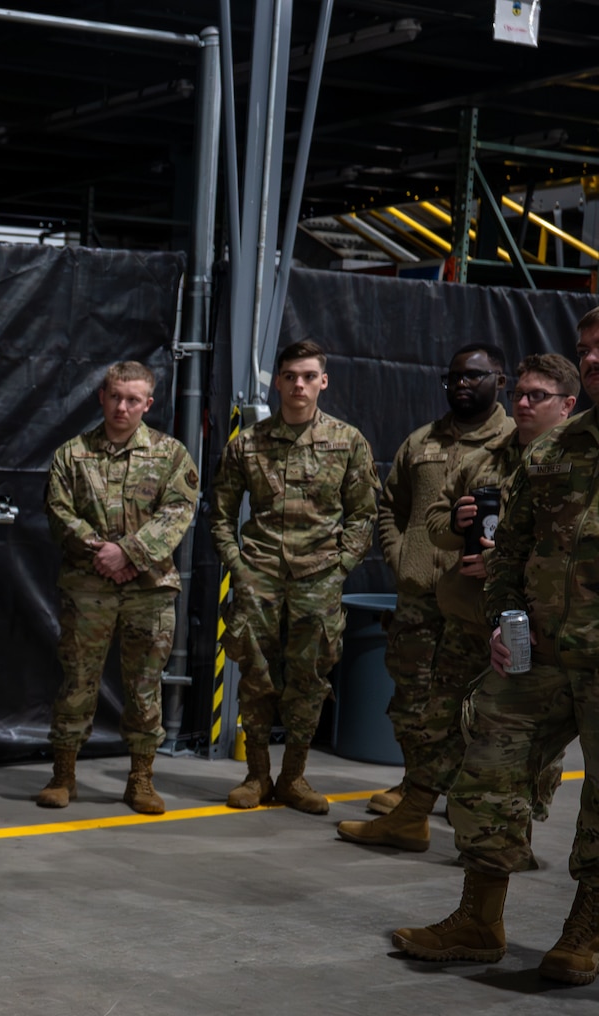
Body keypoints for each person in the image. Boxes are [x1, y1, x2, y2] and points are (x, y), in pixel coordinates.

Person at [393, 314, 599, 987]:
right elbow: (507, 550)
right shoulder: (556, 452)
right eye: (585, 350)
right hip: (538, 653)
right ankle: (480, 919)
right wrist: (508, 615)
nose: (591, 359)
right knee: (487, 765)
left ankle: (584, 929)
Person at [340, 352, 573, 851]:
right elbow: (433, 522)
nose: (525, 403)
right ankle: (412, 816)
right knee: (436, 723)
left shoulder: (573, 467)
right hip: (467, 618)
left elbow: (574, 550)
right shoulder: (483, 459)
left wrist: (506, 565)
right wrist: (457, 526)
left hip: (534, 630)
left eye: (538, 396)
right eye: (521, 394)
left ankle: (514, 838)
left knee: (521, 743)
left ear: (568, 405)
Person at [211, 339, 380, 813]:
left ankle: (294, 778)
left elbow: (365, 514)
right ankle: (257, 776)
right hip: (258, 575)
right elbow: (220, 513)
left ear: (323, 381)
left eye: (308, 376)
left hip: (318, 578)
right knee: (255, 677)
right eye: (290, 376)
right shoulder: (248, 444)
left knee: (309, 679)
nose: (299, 385)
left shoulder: (347, 442)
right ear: (278, 381)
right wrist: (237, 566)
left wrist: (341, 566)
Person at [37, 361, 200, 815]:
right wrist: (103, 554)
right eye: (115, 396)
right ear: (102, 398)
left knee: (145, 688)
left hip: (149, 591)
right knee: (77, 682)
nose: (122, 407)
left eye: (133, 400)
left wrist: (128, 554)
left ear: (148, 404)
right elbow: (59, 513)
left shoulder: (171, 455)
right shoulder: (72, 455)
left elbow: (177, 513)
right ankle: (63, 775)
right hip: (87, 589)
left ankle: (141, 779)